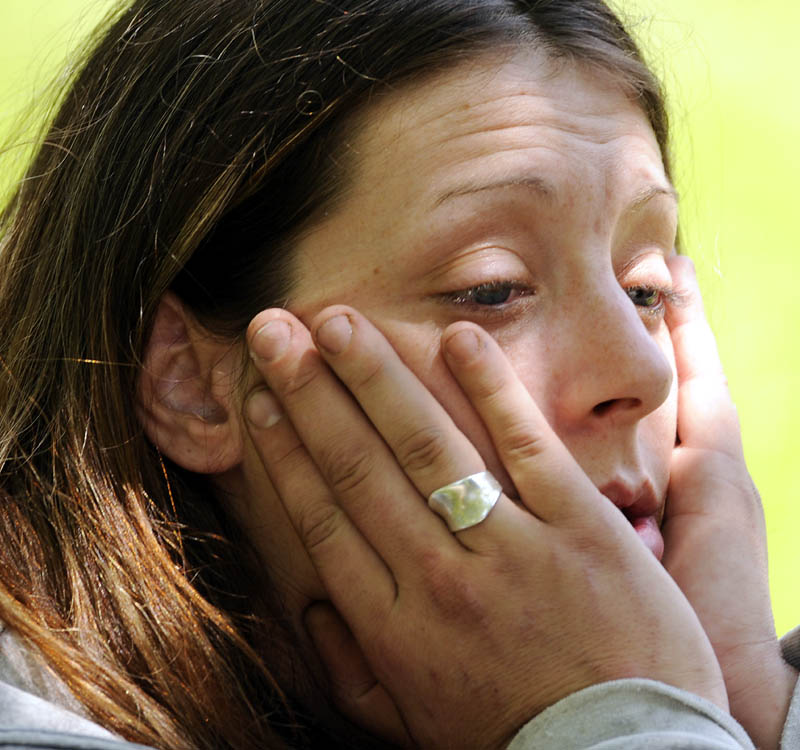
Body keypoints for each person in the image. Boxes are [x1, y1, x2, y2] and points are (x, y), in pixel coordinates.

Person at [0, 0, 796, 748]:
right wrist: (624, 718)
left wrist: (747, 700)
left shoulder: (736, 696)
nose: (643, 372)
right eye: (493, 289)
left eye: (644, 289)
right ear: (188, 383)